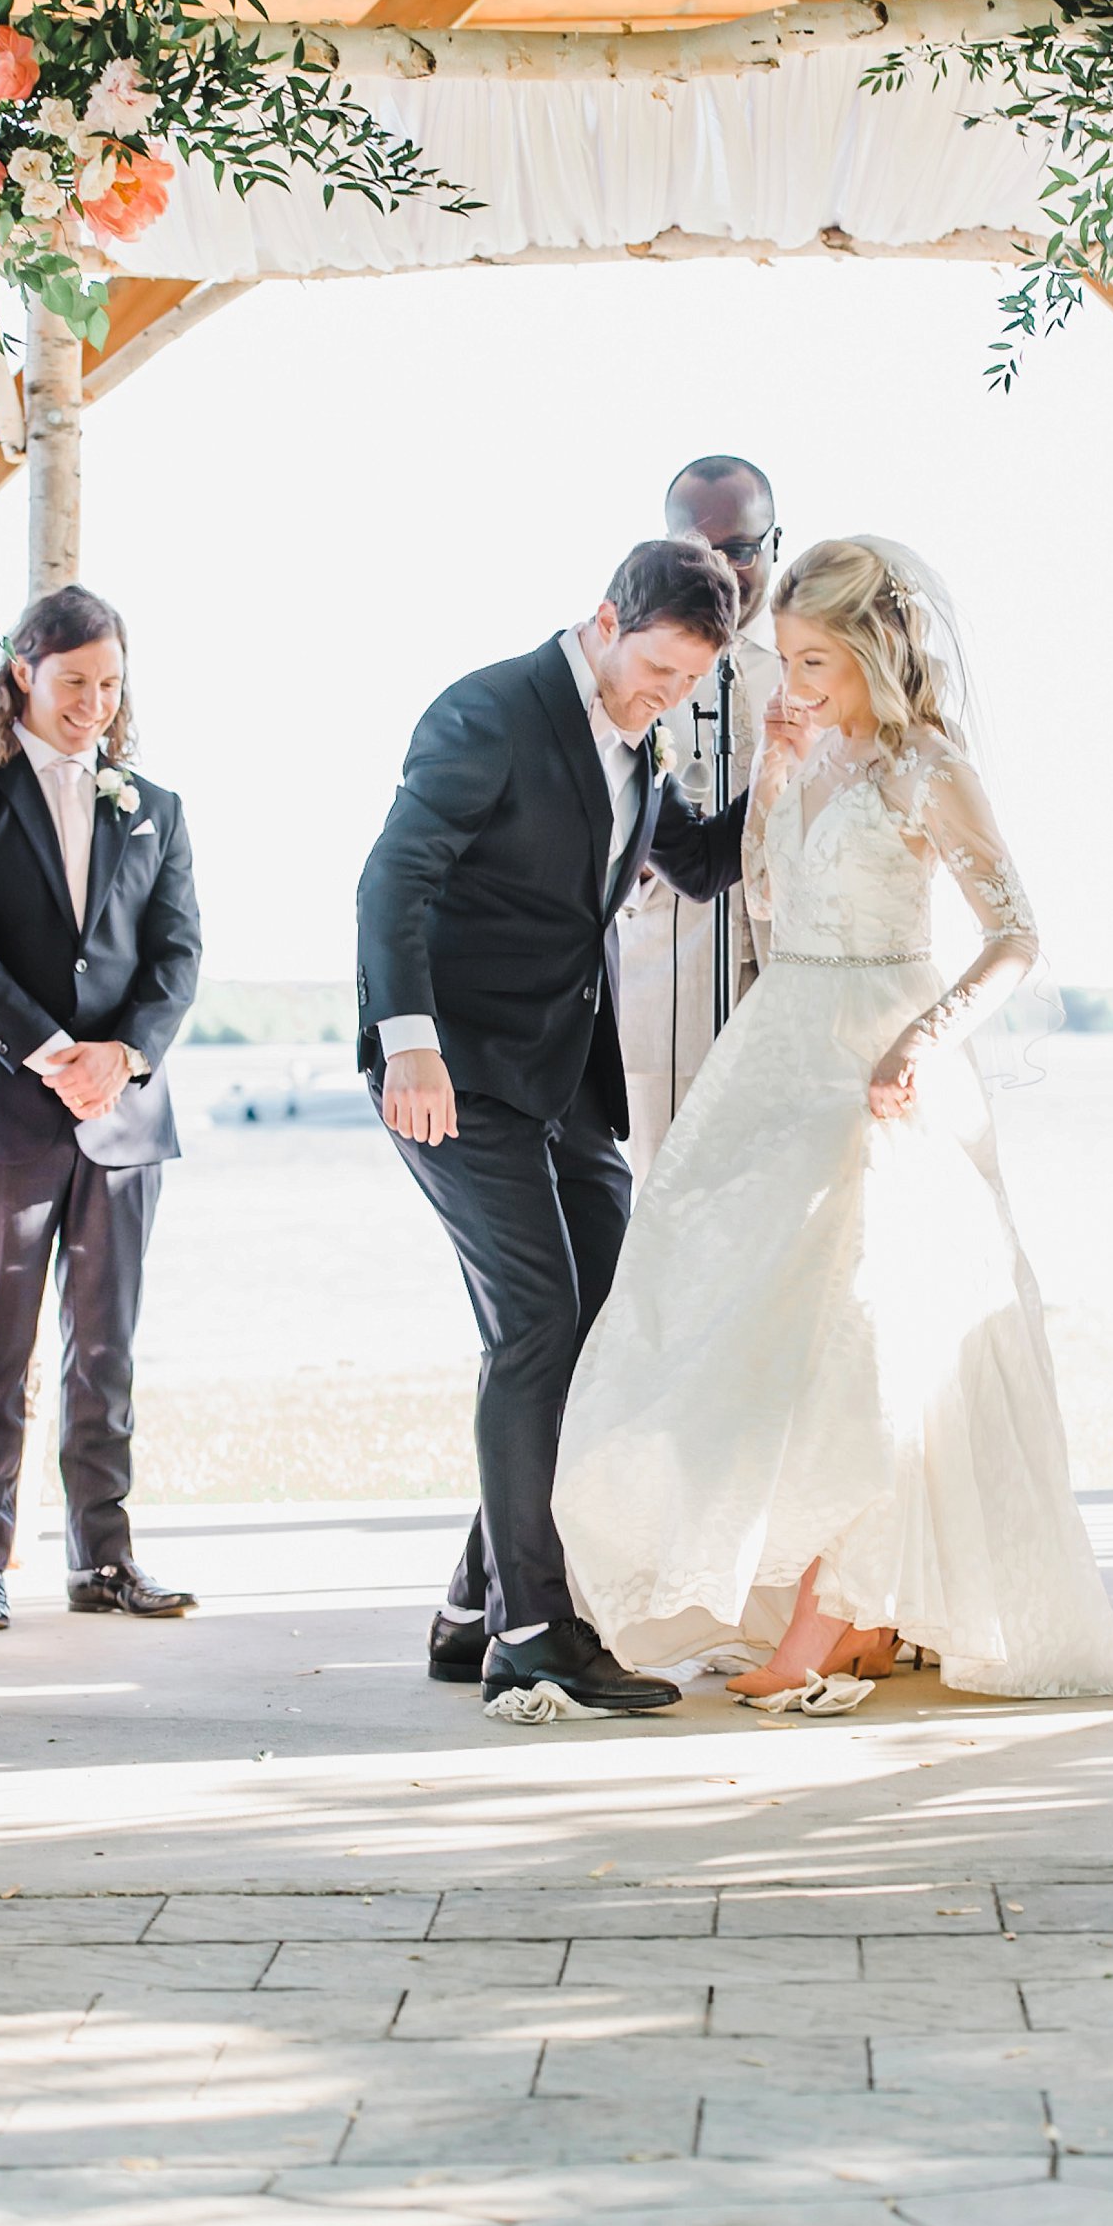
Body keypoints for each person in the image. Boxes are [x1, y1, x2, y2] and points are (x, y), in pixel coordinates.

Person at [553, 538, 1113, 1706]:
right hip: (781, 1047)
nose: (797, 685)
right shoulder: (805, 756)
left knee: (863, 1336)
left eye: (817, 660)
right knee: (739, 1325)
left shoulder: (932, 771)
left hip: (888, 1050)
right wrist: (773, 784)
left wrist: (926, 1037)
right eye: (788, 661)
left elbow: (1015, 936)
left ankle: (824, 1630)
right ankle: (837, 1619)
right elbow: (771, 915)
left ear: (877, 649)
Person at [357, 537, 747, 1715]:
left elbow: (693, 859)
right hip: (455, 1068)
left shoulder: (642, 728)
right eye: (656, 672)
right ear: (604, 618)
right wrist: (408, 1040)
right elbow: (393, 881)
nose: (664, 698)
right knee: (535, 1322)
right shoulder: (491, 711)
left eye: (687, 684)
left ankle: (471, 1603)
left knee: (606, 1321)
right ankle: (534, 1626)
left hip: (564, 1077)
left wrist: (788, 779)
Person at [0, 585, 202, 1633]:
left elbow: (177, 956)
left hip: (126, 1120)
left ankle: (105, 1558)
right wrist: (55, 1055)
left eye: (110, 684)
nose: (94, 703)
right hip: (7, 1112)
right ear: (23, 674)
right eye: (74, 682)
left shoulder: (156, 806)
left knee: (107, 1352)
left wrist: (125, 1055)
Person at [618, 456, 784, 1184]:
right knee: (670, 1195)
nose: (722, 567)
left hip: (797, 973)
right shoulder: (636, 664)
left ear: (774, 544)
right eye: (700, 550)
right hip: (667, 973)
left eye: (741, 549)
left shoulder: (808, 665)